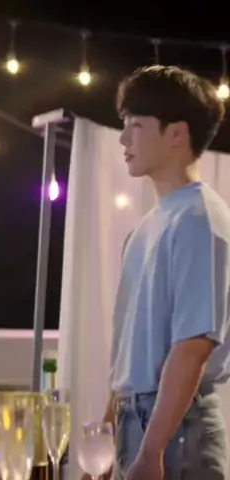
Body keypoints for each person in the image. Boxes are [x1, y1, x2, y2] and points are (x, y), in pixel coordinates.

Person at [82, 65, 229, 480]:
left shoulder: (200, 219)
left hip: (176, 433)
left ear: (177, 134)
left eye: (136, 124)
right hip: (138, 423)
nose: (123, 139)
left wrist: (152, 451)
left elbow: (193, 346)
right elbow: (129, 354)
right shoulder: (146, 226)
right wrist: (110, 435)